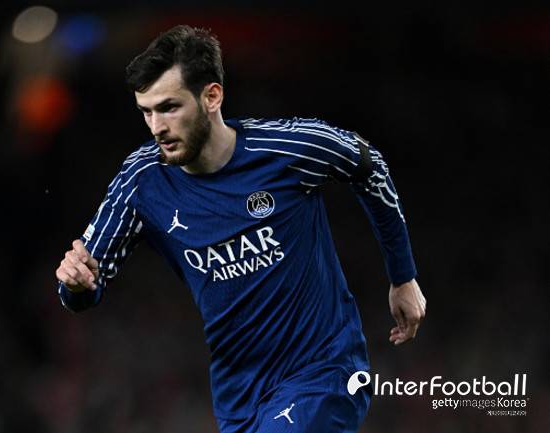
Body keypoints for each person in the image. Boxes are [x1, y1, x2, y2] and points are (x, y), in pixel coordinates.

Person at [55, 25, 426, 433]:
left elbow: (370, 167)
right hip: (239, 396)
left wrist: (402, 276)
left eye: (169, 107)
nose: (157, 126)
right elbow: (86, 282)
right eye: (147, 111)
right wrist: (75, 284)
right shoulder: (142, 180)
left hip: (324, 372)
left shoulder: (287, 148)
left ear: (212, 96)